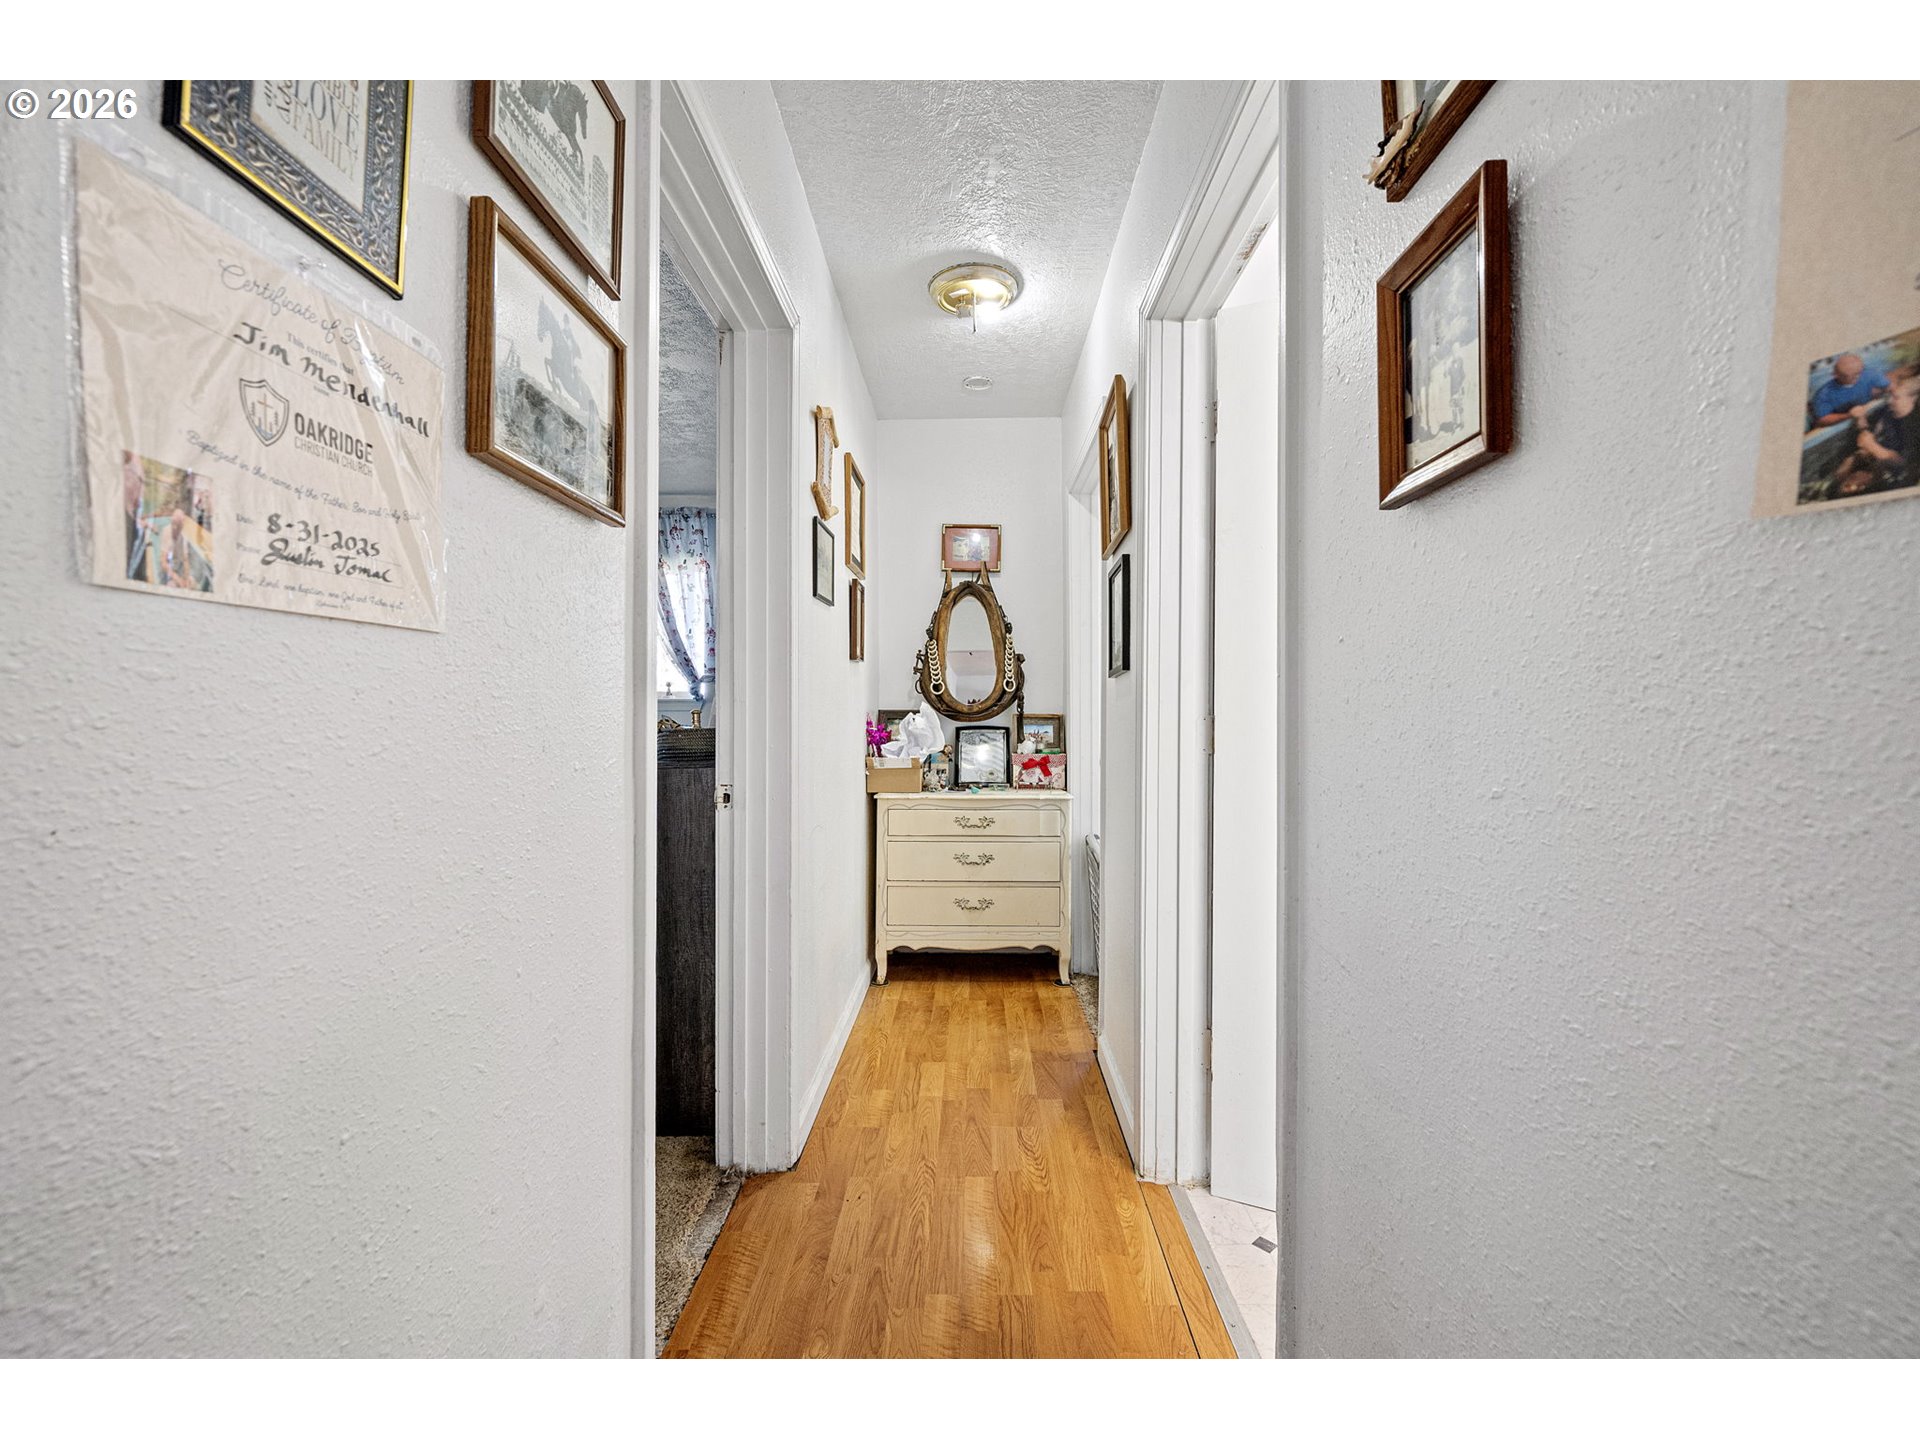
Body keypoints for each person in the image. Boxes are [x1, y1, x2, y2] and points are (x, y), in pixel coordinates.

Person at [1834, 365, 1919, 497]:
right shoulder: (1888, 411)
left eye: (1896, 397)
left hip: (1894, 473)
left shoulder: (1915, 425)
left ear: (1914, 398)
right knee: (1841, 475)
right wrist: (1861, 419)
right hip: (1874, 461)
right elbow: (1868, 434)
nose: (1889, 401)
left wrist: (1872, 447)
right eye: (1890, 395)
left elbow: (1906, 464)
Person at [1807, 352, 1889, 430]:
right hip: (1844, 415)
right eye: (1852, 376)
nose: (1857, 377)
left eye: (1858, 373)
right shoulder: (1823, 394)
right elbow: (1822, 420)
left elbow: (1888, 386)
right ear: (1835, 375)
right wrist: (1849, 415)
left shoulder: (1868, 374)